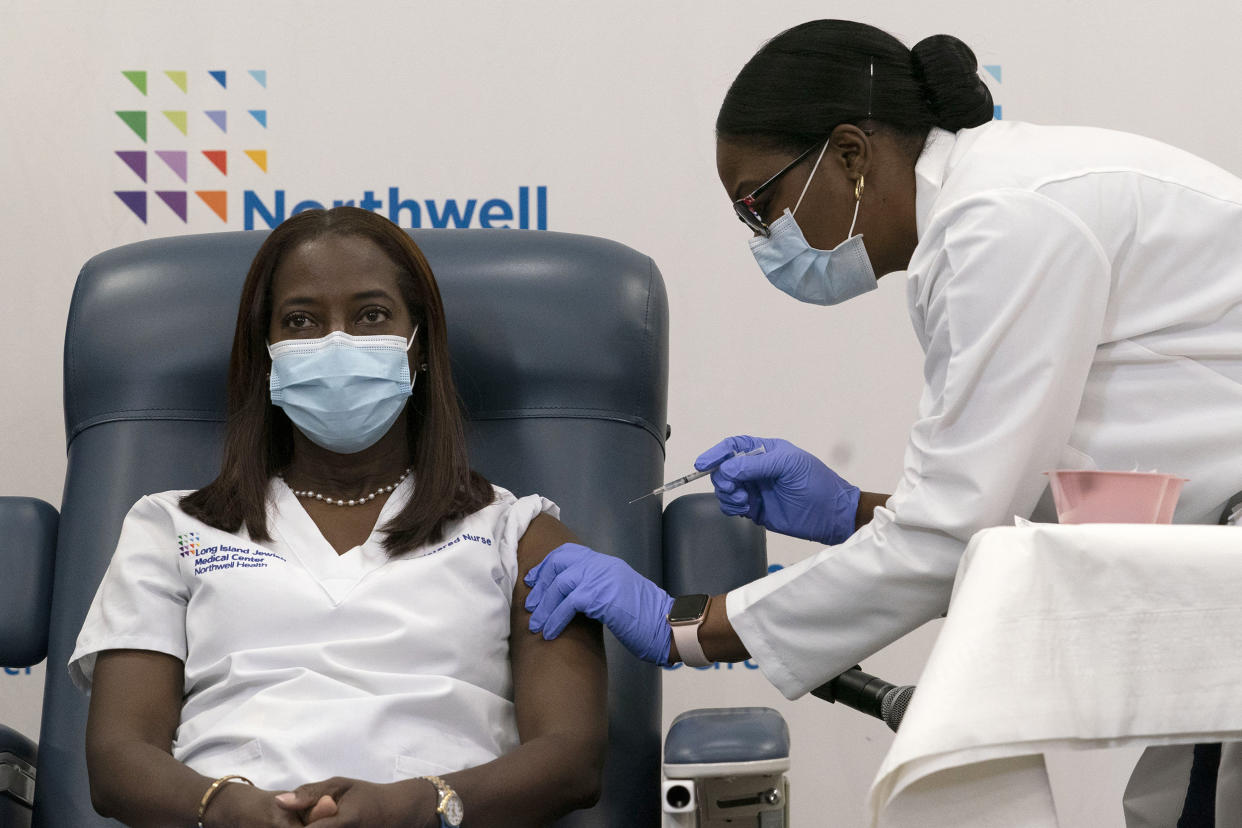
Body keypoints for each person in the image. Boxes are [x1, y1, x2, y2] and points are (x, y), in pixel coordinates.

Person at [523, 18, 1242, 825]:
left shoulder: (1001, 223)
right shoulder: (981, 221)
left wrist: (685, 626)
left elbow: (946, 536)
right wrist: (856, 512)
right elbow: (987, 515)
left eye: (761, 205)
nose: (765, 240)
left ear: (851, 153)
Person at [70, 206, 607, 828]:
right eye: (301, 321)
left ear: (419, 346)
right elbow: (116, 759)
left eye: (371, 315)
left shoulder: (520, 533)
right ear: (266, 352)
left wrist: (409, 805)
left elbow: (572, 761)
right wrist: (229, 809)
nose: (336, 342)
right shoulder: (169, 528)